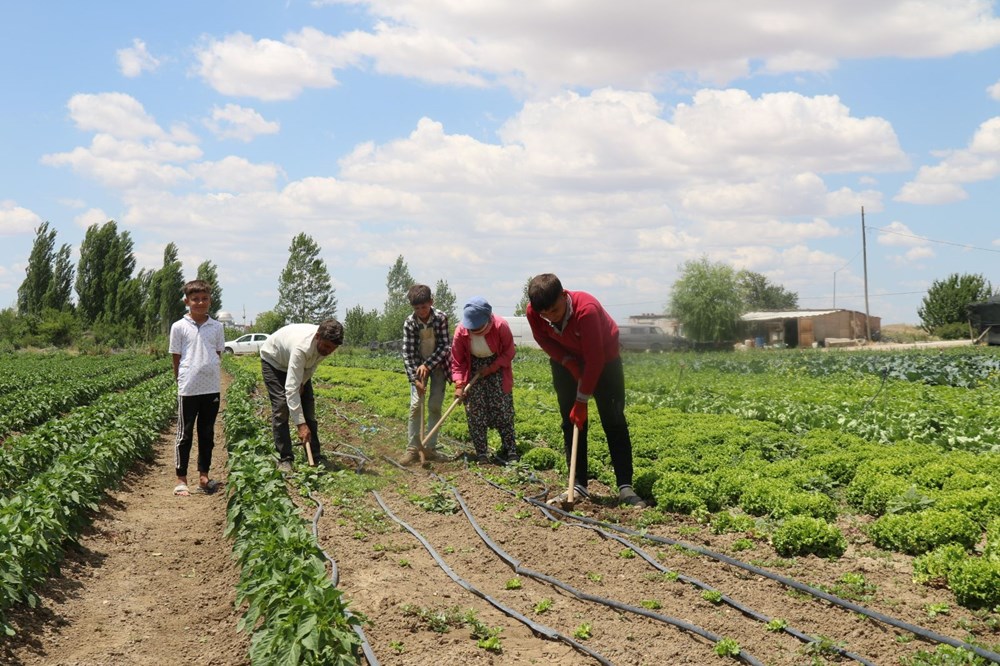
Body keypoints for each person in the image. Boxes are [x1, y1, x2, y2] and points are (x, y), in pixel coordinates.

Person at [526, 273, 647, 508]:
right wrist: (568, 363)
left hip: (605, 359)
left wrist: (582, 401)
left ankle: (625, 487)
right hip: (566, 359)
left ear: (564, 296)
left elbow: (595, 359)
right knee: (571, 421)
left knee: (613, 419)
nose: (551, 317)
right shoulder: (535, 312)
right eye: (545, 314)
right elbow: (544, 340)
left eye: (555, 310)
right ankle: (578, 484)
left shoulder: (586, 310)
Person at [260, 319, 343, 473]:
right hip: (274, 361)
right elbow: (291, 390)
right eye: (326, 347)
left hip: (299, 365)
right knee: (281, 407)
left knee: (308, 408)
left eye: (332, 349)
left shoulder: (327, 345)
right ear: (317, 337)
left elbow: (311, 367)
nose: (328, 351)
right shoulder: (301, 347)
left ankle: (315, 456)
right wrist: (300, 425)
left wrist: (302, 382)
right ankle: (285, 458)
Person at [169, 280, 226, 497]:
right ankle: (181, 479)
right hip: (189, 388)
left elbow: (217, 353)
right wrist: (181, 379)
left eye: (204, 299)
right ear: (187, 301)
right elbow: (176, 357)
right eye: (195, 299)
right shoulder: (179, 327)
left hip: (211, 387)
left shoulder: (217, 327)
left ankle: (204, 476)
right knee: (184, 434)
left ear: (210, 300)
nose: (200, 303)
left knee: (207, 433)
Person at [451, 297, 518, 464]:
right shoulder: (461, 331)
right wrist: (459, 385)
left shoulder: (500, 326)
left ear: (488, 319)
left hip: (497, 366)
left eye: (477, 327)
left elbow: (509, 352)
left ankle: (510, 450)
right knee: (475, 411)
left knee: (502, 408)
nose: (474, 330)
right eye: (471, 327)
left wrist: (491, 368)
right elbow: (458, 361)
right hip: (473, 367)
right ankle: (482, 453)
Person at [399, 284, 452, 465]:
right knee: (416, 406)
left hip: (438, 366)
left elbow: (444, 346)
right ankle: (412, 449)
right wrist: (416, 379)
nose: (421, 311)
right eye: (417, 308)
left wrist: (428, 365)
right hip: (417, 367)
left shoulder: (441, 318)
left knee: (434, 406)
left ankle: (430, 447)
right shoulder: (410, 323)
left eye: (424, 307)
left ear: (431, 302)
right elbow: (407, 353)